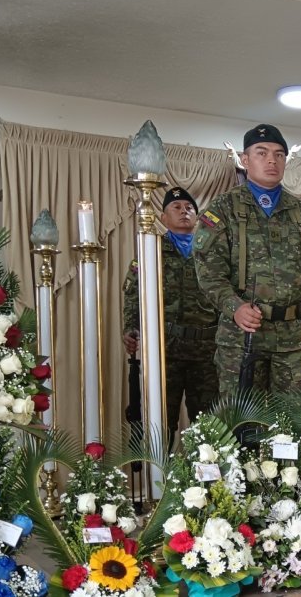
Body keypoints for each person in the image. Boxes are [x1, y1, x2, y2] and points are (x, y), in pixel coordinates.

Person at [193, 124, 301, 393]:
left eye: (279, 154)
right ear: (245, 160)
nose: (272, 160)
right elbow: (209, 271)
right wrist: (234, 306)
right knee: (242, 424)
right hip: (242, 337)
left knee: (293, 425)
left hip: (294, 339)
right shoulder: (223, 209)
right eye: (262, 153)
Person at [122, 187, 220, 446]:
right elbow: (134, 292)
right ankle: (160, 483)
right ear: (163, 218)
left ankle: (208, 485)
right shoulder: (150, 249)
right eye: (176, 208)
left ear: (197, 217)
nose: (184, 212)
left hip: (206, 351)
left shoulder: (211, 251)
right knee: (161, 424)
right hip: (166, 350)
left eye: (189, 208)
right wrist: (131, 328)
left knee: (208, 426)